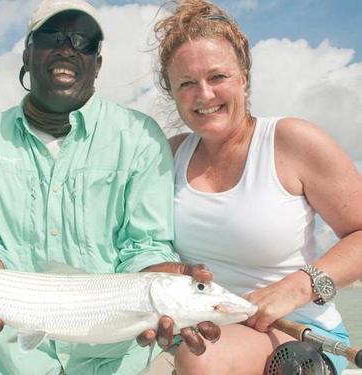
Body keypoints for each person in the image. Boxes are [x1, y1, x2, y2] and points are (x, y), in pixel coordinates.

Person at [0, 0, 219, 374]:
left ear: (97, 64)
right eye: (52, 35)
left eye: (84, 41)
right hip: (18, 357)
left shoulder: (140, 137)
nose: (67, 47)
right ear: (26, 54)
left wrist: (165, 286)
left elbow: (145, 245)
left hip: (121, 360)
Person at [153, 0, 362, 374]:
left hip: (297, 335)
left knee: (203, 361)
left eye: (218, 77)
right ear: (171, 92)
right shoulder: (170, 155)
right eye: (187, 83)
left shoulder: (292, 140)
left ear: (243, 78)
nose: (204, 94)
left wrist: (297, 287)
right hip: (201, 331)